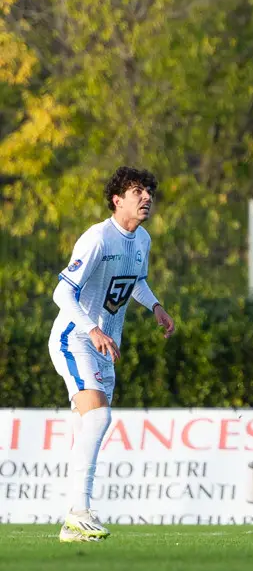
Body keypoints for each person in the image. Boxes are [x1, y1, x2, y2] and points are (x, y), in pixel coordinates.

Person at [49, 166, 175, 542]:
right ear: (117, 199)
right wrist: (92, 329)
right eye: (138, 192)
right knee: (100, 417)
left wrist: (155, 306)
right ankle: (79, 512)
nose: (147, 198)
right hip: (76, 339)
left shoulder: (142, 241)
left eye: (149, 192)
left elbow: (135, 281)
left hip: (106, 345)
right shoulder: (98, 238)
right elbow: (61, 293)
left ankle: (73, 523)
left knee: (87, 426)